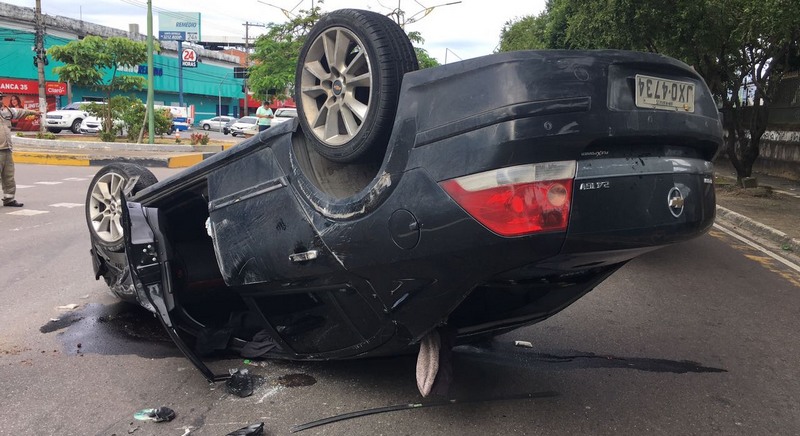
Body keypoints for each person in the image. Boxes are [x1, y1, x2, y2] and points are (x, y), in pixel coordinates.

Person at [0, 94, 24, 207]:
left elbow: (20, 112)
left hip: (7, 150)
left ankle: (9, 199)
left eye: (0, 98)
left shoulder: (6, 112)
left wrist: (35, 113)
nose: (0, 100)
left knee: (9, 176)